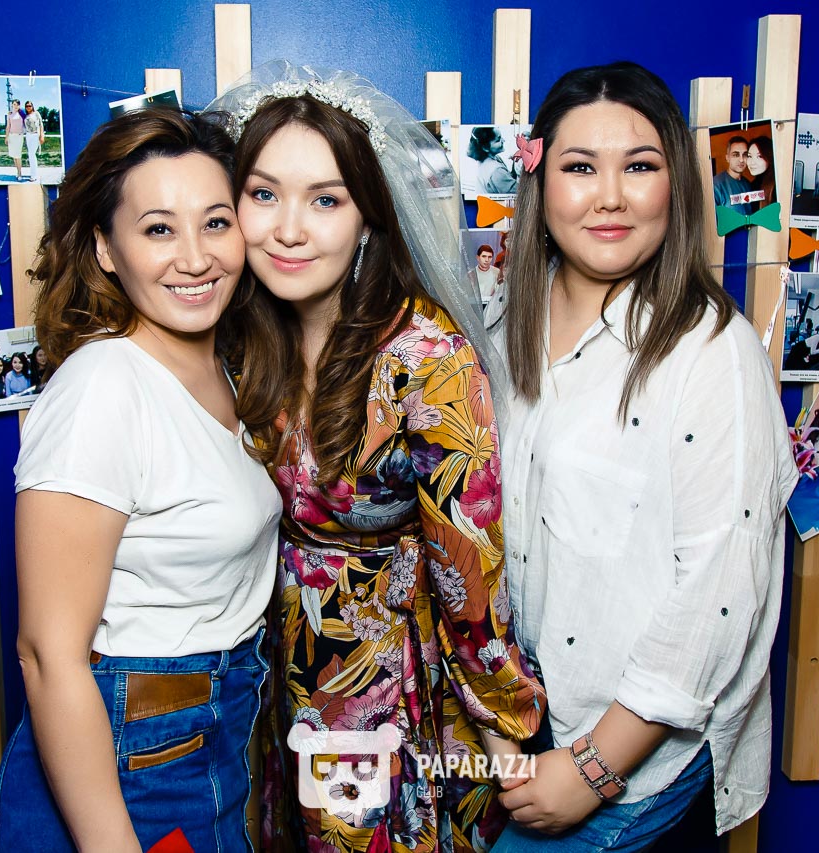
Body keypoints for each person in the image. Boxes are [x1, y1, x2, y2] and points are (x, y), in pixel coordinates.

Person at [208, 62, 543, 852]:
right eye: (264, 194)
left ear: (366, 217)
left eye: (325, 200)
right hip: (273, 669)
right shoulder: (237, 341)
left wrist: (505, 729)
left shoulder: (426, 359)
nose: (289, 228)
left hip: (379, 679)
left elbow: (469, 567)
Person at [487, 61, 797, 851]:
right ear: (540, 181)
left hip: (631, 762)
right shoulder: (500, 329)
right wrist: (495, 723)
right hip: (523, 730)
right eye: (580, 167)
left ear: (674, 187)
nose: (610, 196)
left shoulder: (712, 351)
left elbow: (721, 591)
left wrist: (592, 768)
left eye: (639, 166)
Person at [0, 106, 280, 853]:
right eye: (158, 229)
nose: (195, 257)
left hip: (206, 732)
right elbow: (47, 655)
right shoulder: (103, 386)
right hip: (133, 753)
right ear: (105, 249)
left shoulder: (225, 371)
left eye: (215, 223)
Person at [468, 125, 519, 195]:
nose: (503, 140)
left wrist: (514, 164)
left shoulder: (491, 159)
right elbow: (519, 192)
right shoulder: (497, 171)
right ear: (485, 147)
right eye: (498, 140)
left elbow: (507, 179)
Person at [711, 135, 752, 214]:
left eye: (745, 155)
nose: (741, 160)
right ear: (727, 158)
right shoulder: (716, 185)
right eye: (736, 155)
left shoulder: (748, 184)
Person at [745, 135, 775, 208]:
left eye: (759, 156)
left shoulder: (776, 185)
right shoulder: (753, 185)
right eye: (749, 156)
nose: (752, 162)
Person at [24, 100, 45, 182]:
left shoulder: (36, 113)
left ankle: (34, 175)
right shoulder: (26, 115)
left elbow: (41, 124)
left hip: (35, 135)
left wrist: (42, 135)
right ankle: (33, 173)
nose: (28, 107)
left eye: (29, 106)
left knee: (32, 154)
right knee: (30, 154)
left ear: (32, 106)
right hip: (28, 135)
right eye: (26, 106)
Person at [5, 99, 25, 181]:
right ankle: (17, 171)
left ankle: (20, 173)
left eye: (17, 104)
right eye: (14, 104)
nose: (15, 106)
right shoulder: (10, 115)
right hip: (11, 136)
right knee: (14, 155)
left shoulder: (22, 113)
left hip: (19, 136)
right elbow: (8, 126)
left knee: (18, 155)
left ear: (19, 105)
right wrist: (6, 137)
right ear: (12, 105)